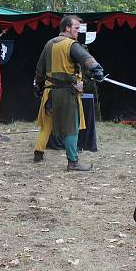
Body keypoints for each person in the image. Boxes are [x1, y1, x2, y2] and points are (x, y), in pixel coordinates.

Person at [33, 15, 104, 171]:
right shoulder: (71, 44)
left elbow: (40, 70)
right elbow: (85, 58)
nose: (78, 32)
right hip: (65, 94)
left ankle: (38, 154)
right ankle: (73, 162)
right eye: (76, 28)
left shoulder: (49, 44)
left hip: (50, 92)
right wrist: (97, 69)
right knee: (72, 127)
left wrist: (38, 86)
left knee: (47, 124)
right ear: (67, 28)